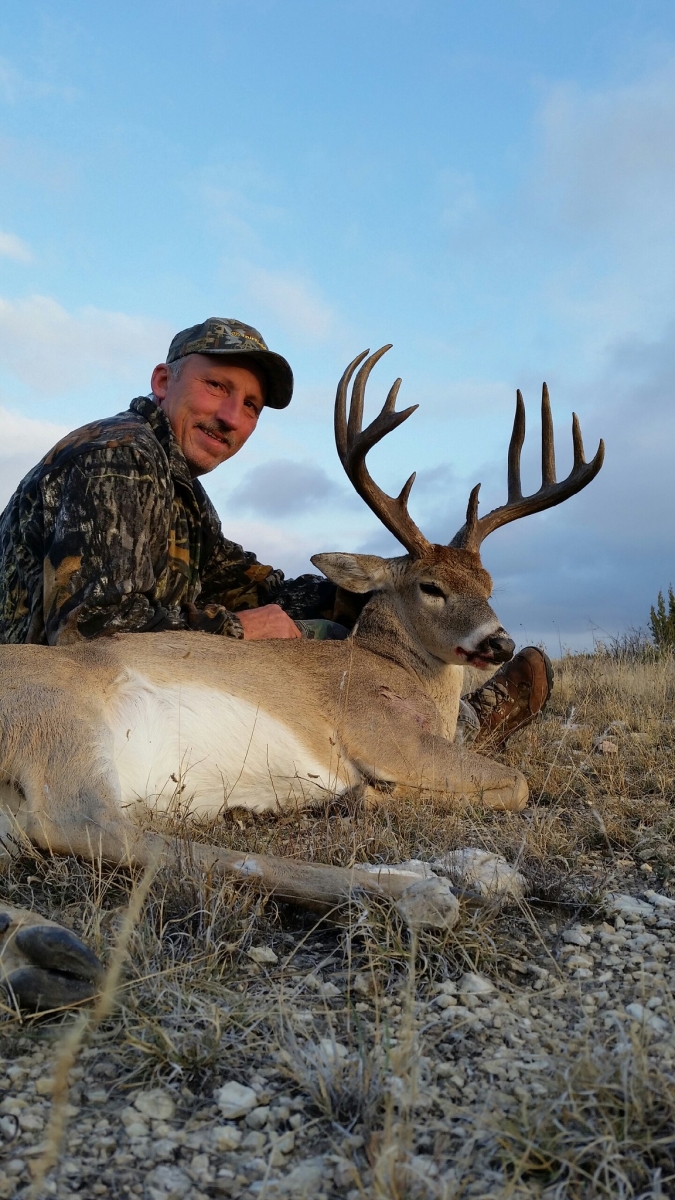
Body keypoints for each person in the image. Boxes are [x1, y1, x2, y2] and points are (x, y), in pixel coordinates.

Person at [0, 316, 551, 741]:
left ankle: (441, 730)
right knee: (327, 656)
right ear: (164, 381)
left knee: (332, 628)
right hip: (41, 702)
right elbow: (84, 632)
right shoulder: (121, 459)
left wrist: (402, 584)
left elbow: (257, 587)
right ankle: (459, 734)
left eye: (252, 406)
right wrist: (237, 630)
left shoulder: (180, 489)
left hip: (103, 689)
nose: (232, 418)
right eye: (216, 386)